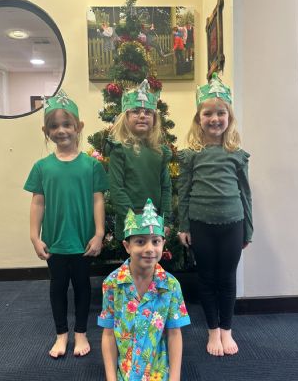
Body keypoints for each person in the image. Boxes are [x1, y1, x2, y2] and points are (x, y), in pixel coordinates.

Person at [24, 90, 108, 358]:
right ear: (46, 131)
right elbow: (38, 203)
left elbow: (98, 200)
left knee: (82, 286)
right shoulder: (42, 167)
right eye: (54, 126)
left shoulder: (91, 166)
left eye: (67, 124)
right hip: (55, 241)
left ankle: (81, 332)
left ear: (78, 127)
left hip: (83, 240)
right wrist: (34, 237)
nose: (61, 130)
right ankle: (61, 334)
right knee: (57, 287)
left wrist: (99, 233)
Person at [177, 73, 253, 357]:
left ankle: (226, 329)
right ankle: (212, 330)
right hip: (201, 224)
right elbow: (184, 192)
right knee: (207, 278)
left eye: (221, 113)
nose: (214, 119)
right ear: (198, 119)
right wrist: (183, 225)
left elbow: (245, 194)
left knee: (228, 278)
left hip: (233, 224)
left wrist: (248, 229)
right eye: (207, 113)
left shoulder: (237, 154)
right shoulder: (191, 155)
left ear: (229, 117)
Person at [98, 199, 191, 381]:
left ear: (163, 244)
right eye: (140, 242)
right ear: (127, 246)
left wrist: (175, 378)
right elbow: (108, 334)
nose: (149, 249)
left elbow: (174, 334)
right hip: (126, 373)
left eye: (156, 241)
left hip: (158, 373)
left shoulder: (171, 285)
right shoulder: (112, 284)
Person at [108, 79, 172, 246]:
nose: (142, 115)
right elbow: (116, 188)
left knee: (152, 259)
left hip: (155, 221)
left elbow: (166, 187)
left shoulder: (160, 152)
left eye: (148, 112)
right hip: (130, 222)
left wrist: (165, 218)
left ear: (154, 119)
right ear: (126, 117)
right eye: (136, 111)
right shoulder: (119, 150)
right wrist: (132, 219)